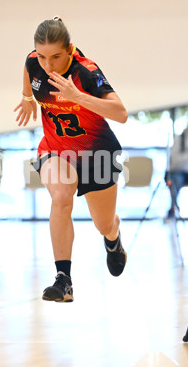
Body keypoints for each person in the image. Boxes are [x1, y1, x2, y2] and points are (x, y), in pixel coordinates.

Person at [14, 17, 128, 303]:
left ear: (70, 49)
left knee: (103, 224)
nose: (48, 65)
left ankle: (113, 240)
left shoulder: (87, 71)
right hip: (56, 149)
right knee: (62, 197)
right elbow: (29, 70)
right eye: (42, 56)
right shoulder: (33, 62)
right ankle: (63, 280)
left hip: (97, 153)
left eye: (55, 57)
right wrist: (26, 97)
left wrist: (78, 96)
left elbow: (120, 113)